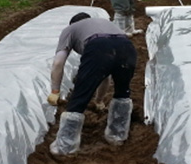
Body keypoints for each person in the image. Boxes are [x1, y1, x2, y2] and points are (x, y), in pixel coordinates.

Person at [47, 12, 138, 156]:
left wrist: (55, 91)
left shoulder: (70, 29)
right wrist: (99, 100)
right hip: (127, 47)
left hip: (99, 47)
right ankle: (117, 136)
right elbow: (104, 75)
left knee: (79, 97)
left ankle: (65, 147)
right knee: (122, 92)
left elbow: (58, 62)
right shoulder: (105, 24)